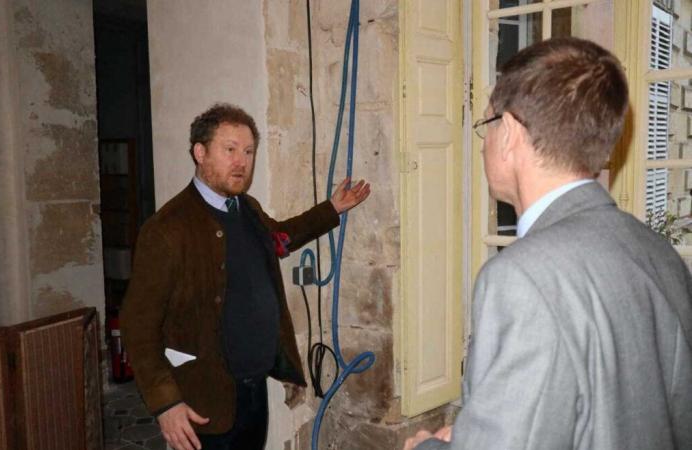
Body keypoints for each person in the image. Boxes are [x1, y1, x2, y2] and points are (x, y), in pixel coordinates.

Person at [405, 37, 692, 450]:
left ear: (510, 133)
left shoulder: (521, 280)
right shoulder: (657, 250)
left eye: (487, 124)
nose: (484, 142)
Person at [121, 103, 370, 450]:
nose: (242, 161)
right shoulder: (167, 230)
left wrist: (331, 210)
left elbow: (280, 238)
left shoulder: (246, 209)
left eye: (249, 151)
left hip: (252, 394)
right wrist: (166, 403)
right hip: (204, 402)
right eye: (230, 150)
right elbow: (138, 325)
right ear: (200, 152)